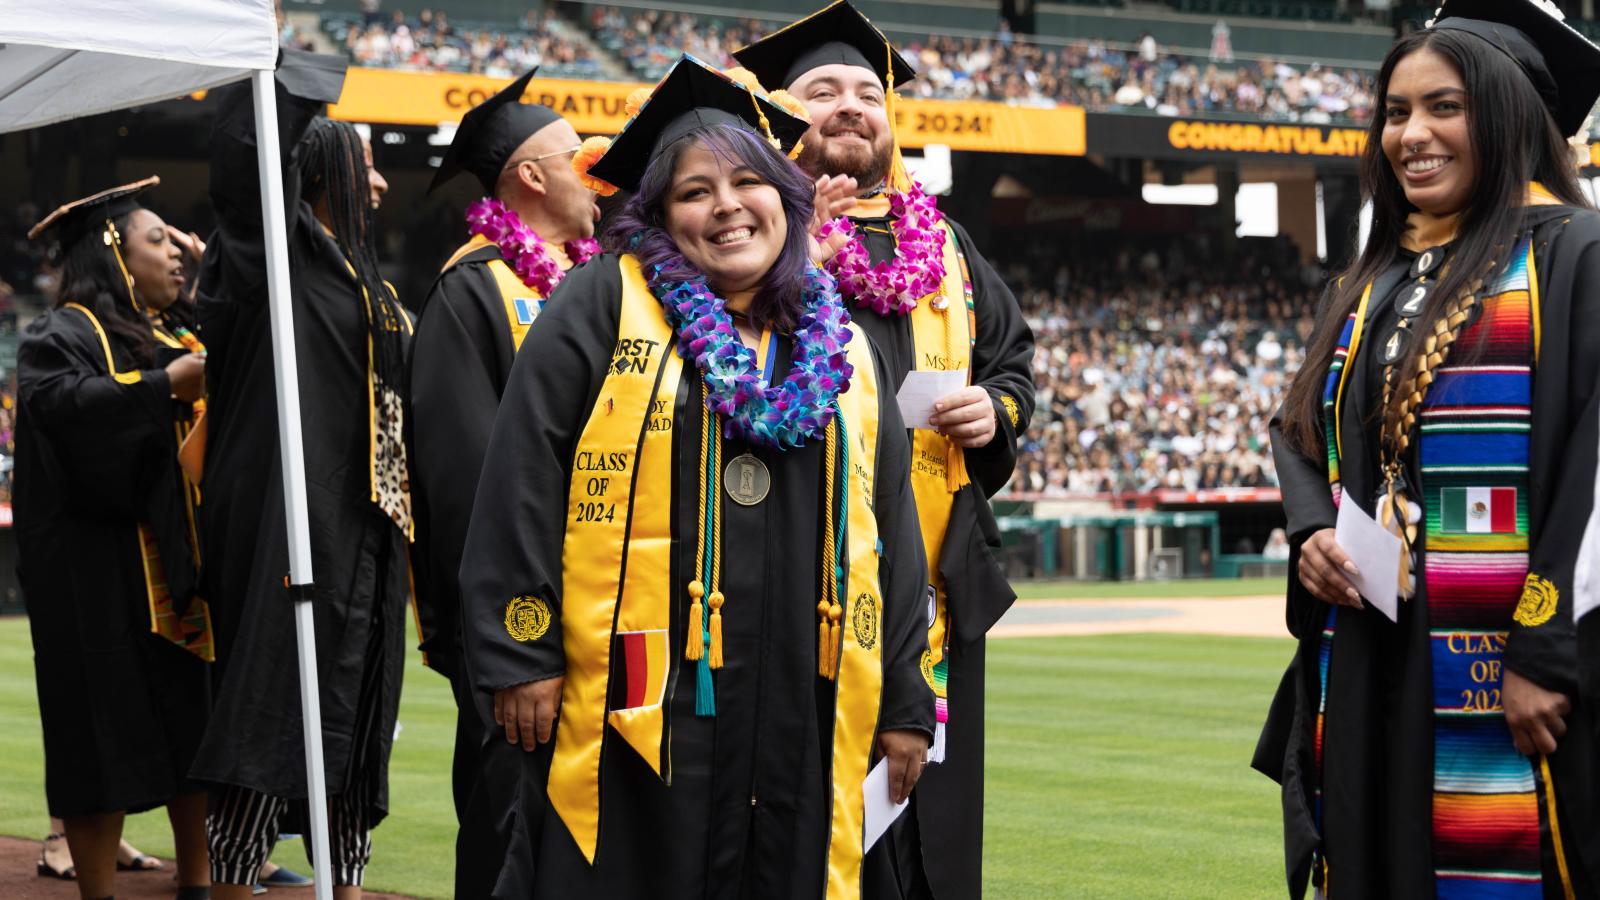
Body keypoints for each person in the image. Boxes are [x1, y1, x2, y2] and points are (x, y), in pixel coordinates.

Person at [458, 55, 933, 899]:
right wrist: (518, 648)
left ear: (785, 196)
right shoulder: (604, 304)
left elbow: (888, 526)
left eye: (749, 181)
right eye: (693, 192)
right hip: (638, 695)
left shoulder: (843, 344)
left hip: (801, 692)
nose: (725, 207)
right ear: (660, 214)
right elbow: (521, 474)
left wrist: (903, 698)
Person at [1255, 1, 1600, 895]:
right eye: (1397, 111)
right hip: (1376, 655)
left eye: (1445, 107)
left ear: (1511, 113)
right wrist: (1310, 535)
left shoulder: (1574, 256)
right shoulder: (1371, 280)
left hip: (1516, 664)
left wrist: (1544, 647)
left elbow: (1594, 469)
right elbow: (1299, 429)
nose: (1412, 134)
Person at [734, 5, 1036, 897]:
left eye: (870, 92)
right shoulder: (751, 233)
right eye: (823, 91)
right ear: (780, 117)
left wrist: (997, 410)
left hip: (935, 560)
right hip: (802, 568)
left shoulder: (943, 244)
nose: (852, 106)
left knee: (934, 825)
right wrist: (797, 262)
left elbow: (1011, 360)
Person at [191, 50, 411, 900]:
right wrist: (287, 71)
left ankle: (346, 886)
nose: (383, 186)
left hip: (369, 531)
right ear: (314, 174)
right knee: (264, 710)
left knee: (355, 732)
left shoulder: (370, 282)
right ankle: (235, 880)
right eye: (366, 167)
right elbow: (247, 181)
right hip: (291, 523)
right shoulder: (267, 269)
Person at [406, 68, 600, 890]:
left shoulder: (605, 284)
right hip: (524, 636)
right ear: (529, 176)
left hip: (606, 617)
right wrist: (511, 645)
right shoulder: (473, 291)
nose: (593, 170)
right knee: (509, 832)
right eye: (574, 156)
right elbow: (463, 487)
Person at [17, 177, 211, 900]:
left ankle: (199, 882)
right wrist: (165, 386)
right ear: (112, 255)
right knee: (96, 736)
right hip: (94, 577)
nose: (176, 253)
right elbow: (68, 410)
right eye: (158, 240)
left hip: (175, 569)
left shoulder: (172, 333)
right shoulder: (61, 333)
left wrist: (205, 267)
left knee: (195, 723)